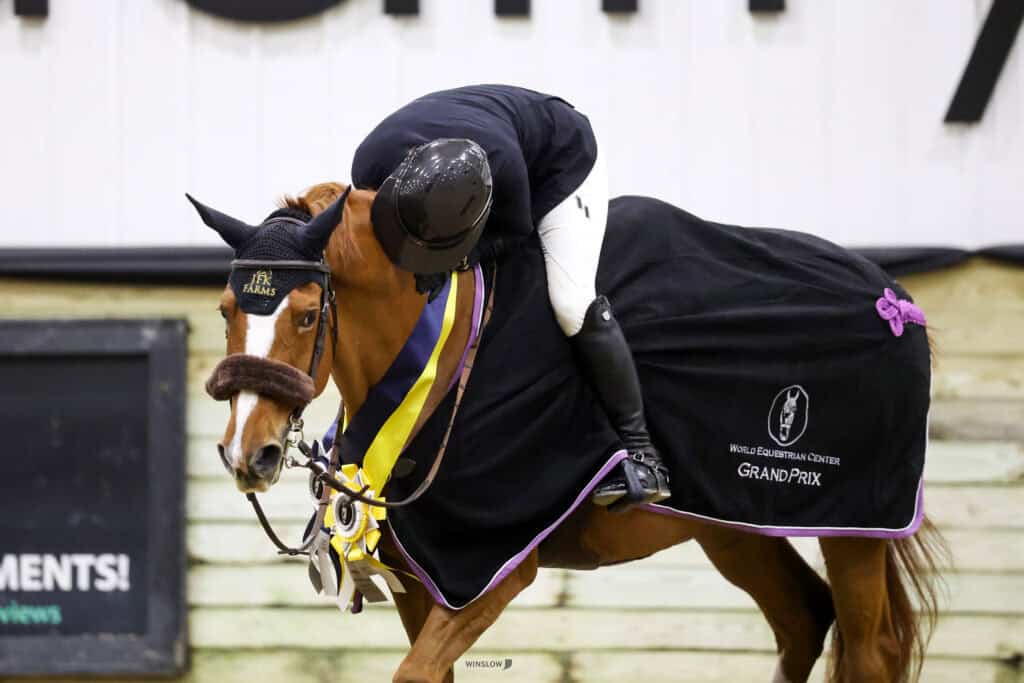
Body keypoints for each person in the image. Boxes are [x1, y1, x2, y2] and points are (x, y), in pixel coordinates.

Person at [352, 84, 670, 511]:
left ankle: (642, 453)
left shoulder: (505, 168)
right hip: (479, 146)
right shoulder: (368, 164)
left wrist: (454, 261)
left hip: (559, 161)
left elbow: (514, 232)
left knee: (571, 302)